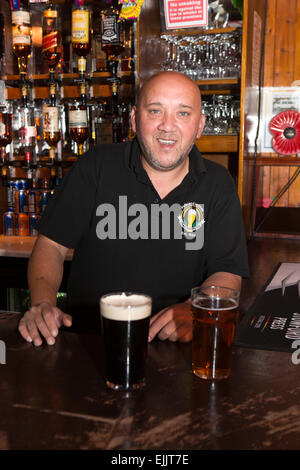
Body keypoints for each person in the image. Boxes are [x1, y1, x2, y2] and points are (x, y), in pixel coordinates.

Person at [18, 71, 249, 347]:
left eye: (183, 114)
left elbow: (227, 273)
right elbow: (51, 246)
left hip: (176, 349)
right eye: (155, 111)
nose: (167, 126)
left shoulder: (218, 184)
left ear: (200, 126)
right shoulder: (95, 168)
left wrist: (199, 309)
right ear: (134, 119)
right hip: (89, 343)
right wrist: (43, 304)